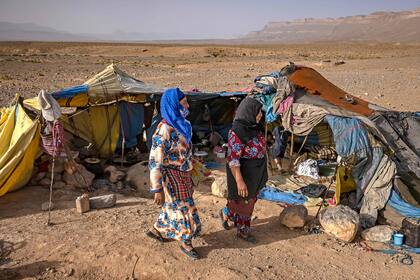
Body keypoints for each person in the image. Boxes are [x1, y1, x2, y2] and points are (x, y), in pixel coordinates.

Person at [146, 88, 201, 260]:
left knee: (173, 206)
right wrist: (157, 188)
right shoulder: (164, 130)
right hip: (171, 175)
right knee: (185, 207)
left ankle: (157, 229)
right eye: (183, 103)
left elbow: (186, 151)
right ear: (173, 105)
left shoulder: (185, 125)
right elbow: (155, 160)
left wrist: (194, 166)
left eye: (186, 102)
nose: (187, 105)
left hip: (184, 173)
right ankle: (186, 242)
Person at [220, 97, 268, 243]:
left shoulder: (254, 127)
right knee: (244, 202)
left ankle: (226, 212)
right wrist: (239, 181)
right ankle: (243, 231)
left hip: (255, 173)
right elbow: (233, 159)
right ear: (250, 112)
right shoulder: (237, 131)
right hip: (244, 173)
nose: (260, 115)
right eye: (258, 112)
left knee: (250, 199)